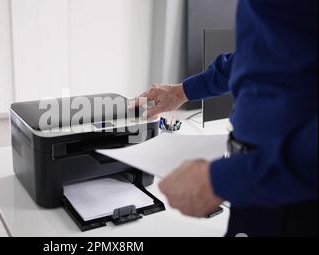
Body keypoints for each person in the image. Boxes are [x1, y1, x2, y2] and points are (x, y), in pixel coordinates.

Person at [131, 0, 318, 236]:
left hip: (294, 189)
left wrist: (223, 179)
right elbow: (265, 49)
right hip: (258, 183)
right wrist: (183, 91)